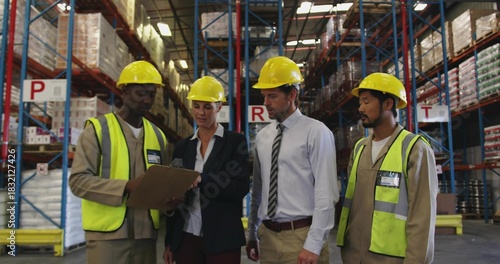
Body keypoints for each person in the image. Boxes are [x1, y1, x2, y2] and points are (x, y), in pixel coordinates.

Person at [69, 60, 168, 264]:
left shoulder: (158, 137)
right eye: (140, 93)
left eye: (151, 94)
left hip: (146, 237)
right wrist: (126, 187)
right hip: (107, 238)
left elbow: (160, 185)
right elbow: (78, 181)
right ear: (123, 91)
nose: (147, 100)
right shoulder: (97, 130)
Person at [336, 72, 438, 264]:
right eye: (360, 102)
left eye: (366, 101)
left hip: (392, 258)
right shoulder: (359, 148)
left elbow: (422, 215)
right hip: (355, 256)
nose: (360, 108)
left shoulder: (414, 149)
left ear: (388, 104)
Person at [246, 56, 339, 264]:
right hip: (268, 238)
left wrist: (313, 245)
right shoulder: (263, 138)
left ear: (292, 95)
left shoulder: (316, 132)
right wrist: (252, 232)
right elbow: (258, 192)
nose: (265, 103)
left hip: (302, 237)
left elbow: (326, 194)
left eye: (272, 96)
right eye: (264, 96)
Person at [163, 76, 250, 264]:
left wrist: (203, 179)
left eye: (207, 107)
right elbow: (175, 195)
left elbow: (240, 187)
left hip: (223, 238)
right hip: (187, 236)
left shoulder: (235, 143)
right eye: (196, 106)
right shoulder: (182, 147)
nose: (201, 113)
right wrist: (170, 242)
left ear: (219, 107)